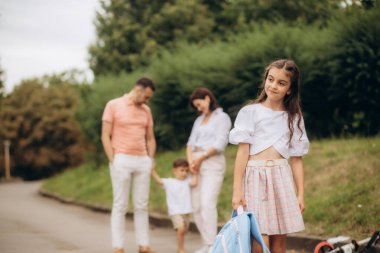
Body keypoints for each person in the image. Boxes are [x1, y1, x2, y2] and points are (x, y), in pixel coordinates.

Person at [229, 59, 309, 253]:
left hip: (281, 177)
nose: (273, 86)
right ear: (265, 79)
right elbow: (242, 152)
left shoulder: (294, 118)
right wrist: (236, 190)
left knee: (278, 242)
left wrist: (300, 193)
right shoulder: (250, 112)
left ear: (289, 89)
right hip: (255, 178)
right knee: (259, 241)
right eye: (271, 79)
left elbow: (297, 159)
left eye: (281, 83)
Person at [101, 77, 156, 253]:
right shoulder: (113, 105)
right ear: (138, 90)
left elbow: (150, 137)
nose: (147, 101)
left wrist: (150, 159)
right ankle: (118, 246)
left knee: (141, 205)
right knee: (120, 204)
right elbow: (105, 135)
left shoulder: (146, 110)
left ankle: (144, 245)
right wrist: (113, 159)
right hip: (121, 159)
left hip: (142, 161)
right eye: (146, 96)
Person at [186, 87, 232, 253]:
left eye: (199, 104)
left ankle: (214, 246)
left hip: (212, 162)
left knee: (207, 203)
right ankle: (207, 243)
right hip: (196, 163)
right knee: (196, 206)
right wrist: (192, 161)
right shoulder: (198, 121)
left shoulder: (222, 117)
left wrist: (201, 157)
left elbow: (220, 143)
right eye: (196, 106)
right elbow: (190, 143)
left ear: (207, 98)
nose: (199, 108)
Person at [151, 158, 198, 253]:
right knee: (181, 229)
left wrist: (194, 172)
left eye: (186, 170)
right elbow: (159, 181)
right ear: (174, 171)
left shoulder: (187, 181)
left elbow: (194, 182)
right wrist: (152, 171)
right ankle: (181, 249)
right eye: (182, 170)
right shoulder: (169, 182)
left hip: (186, 211)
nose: (184, 173)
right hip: (175, 211)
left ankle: (180, 245)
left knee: (184, 230)